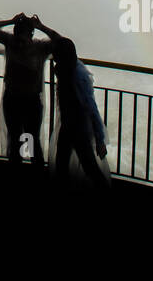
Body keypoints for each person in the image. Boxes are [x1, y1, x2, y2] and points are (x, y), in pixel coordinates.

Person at [0, 13, 55, 164]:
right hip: (23, 99)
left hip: (21, 99)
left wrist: (13, 21)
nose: (20, 41)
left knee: (24, 140)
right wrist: (41, 27)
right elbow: (61, 42)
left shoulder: (20, 44)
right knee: (23, 140)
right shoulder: (35, 46)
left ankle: (22, 168)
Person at [48, 34, 110, 189]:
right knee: (70, 162)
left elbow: (91, 108)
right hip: (71, 125)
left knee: (87, 166)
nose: (53, 57)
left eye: (56, 55)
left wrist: (100, 139)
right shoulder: (72, 69)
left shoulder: (75, 76)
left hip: (77, 128)